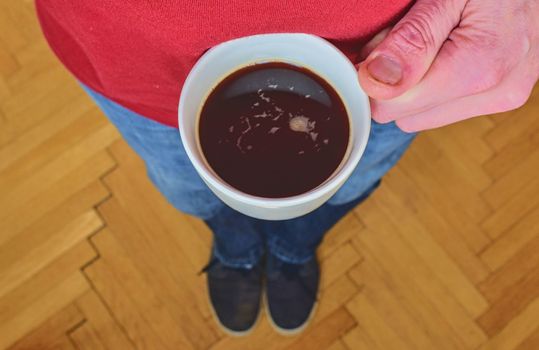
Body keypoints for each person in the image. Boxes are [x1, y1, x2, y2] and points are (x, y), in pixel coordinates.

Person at [36, 0, 538, 336]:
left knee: (349, 184)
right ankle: (237, 248)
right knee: (187, 190)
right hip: (127, 58)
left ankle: (292, 247)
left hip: (390, 66)